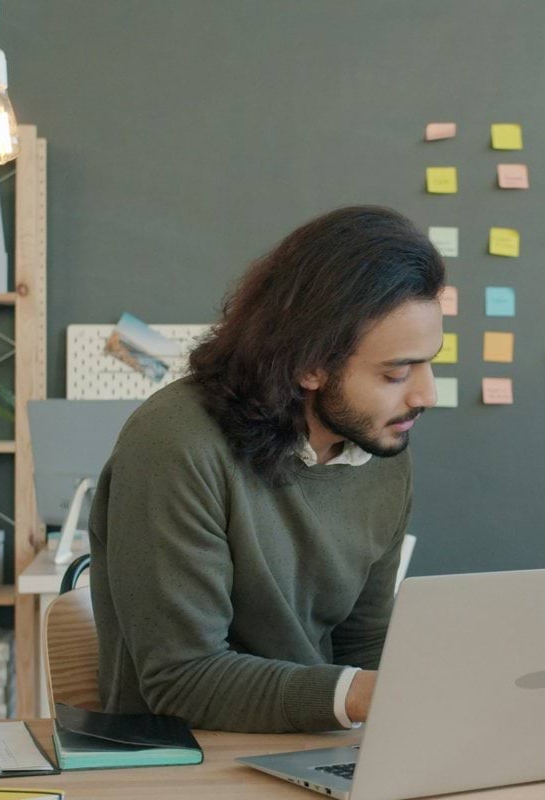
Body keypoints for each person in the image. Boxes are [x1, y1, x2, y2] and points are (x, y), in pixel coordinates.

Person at [89, 206, 444, 732]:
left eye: (431, 360)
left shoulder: (380, 448)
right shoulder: (175, 444)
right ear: (310, 365)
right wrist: (363, 694)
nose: (426, 394)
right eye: (396, 372)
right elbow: (180, 678)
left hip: (313, 746)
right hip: (184, 761)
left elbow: (363, 644)